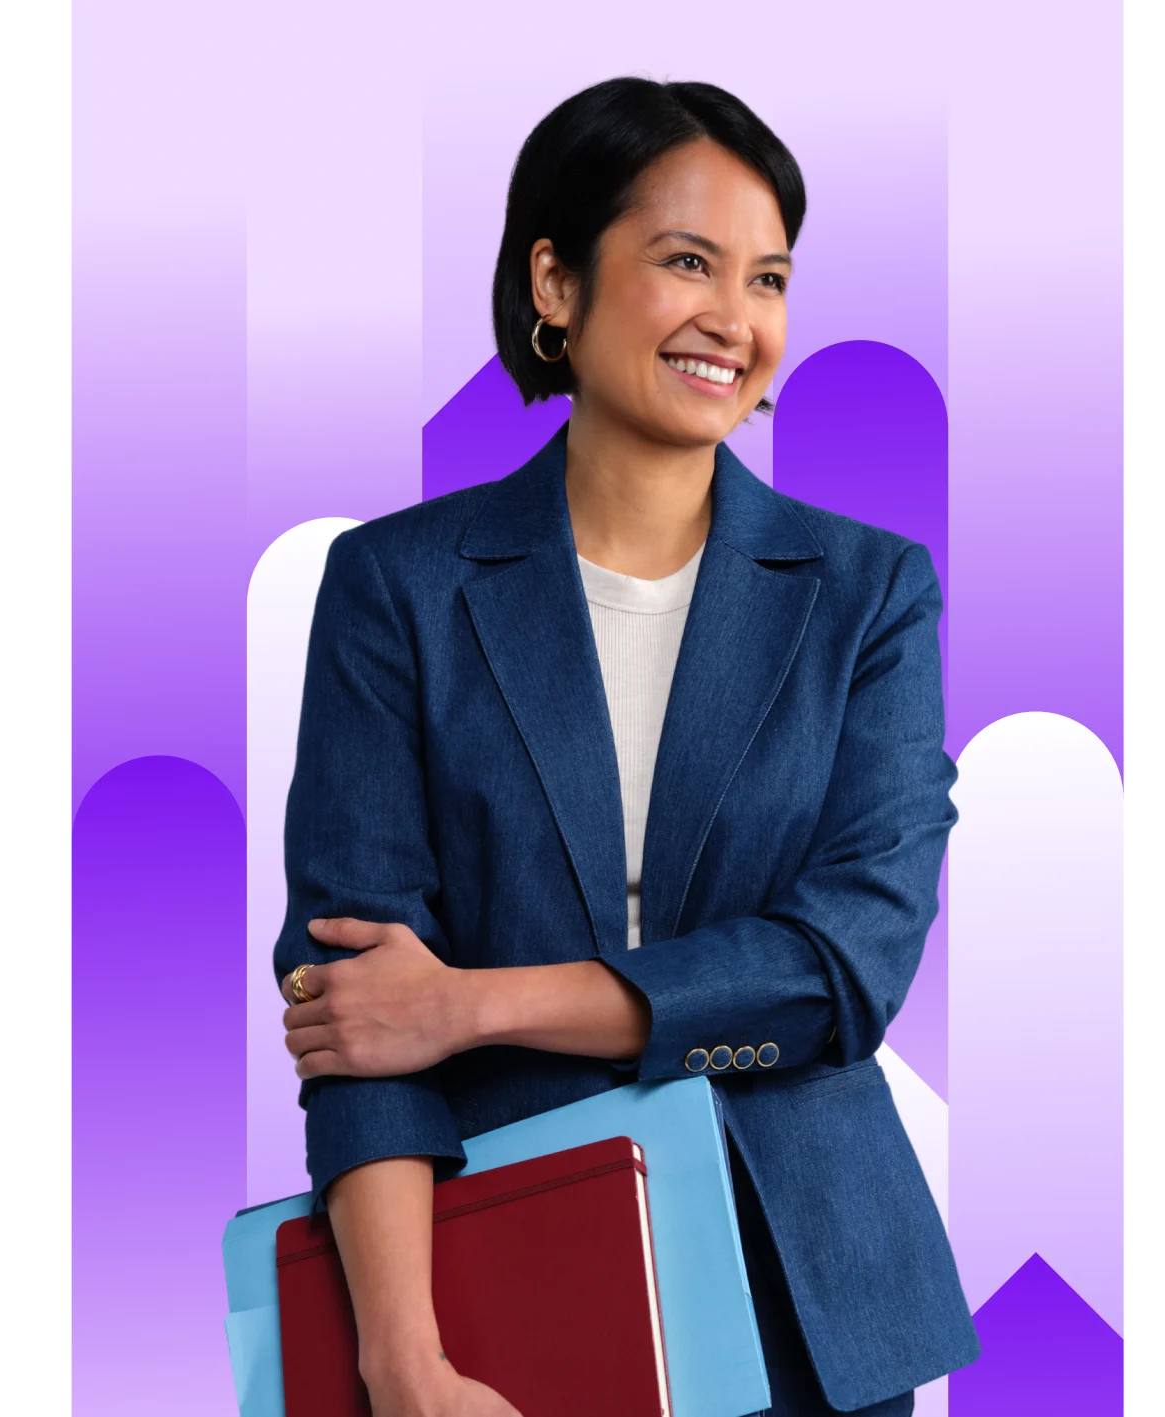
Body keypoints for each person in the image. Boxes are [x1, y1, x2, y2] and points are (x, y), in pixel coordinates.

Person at [275, 76, 978, 1417]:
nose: (736, 318)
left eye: (767, 277)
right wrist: (402, 1359)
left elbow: (839, 972)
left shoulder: (871, 593)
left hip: (810, 1302)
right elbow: (353, 1010)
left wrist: (472, 1003)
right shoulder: (399, 588)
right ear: (555, 282)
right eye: (686, 262)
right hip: (494, 1271)